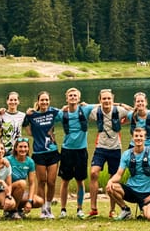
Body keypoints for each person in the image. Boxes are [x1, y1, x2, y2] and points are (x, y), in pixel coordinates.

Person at [86, 89, 132, 219]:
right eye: (103, 99)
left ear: (112, 99)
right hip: (100, 148)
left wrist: (121, 105)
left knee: (113, 179)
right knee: (94, 173)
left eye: (109, 99)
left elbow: (135, 113)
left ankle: (112, 210)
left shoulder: (119, 111)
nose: (106, 101)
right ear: (99, 100)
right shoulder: (95, 112)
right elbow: (82, 109)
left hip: (115, 148)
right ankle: (93, 208)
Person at [105, 127, 150, 221]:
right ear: (133, 138)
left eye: (141, 136)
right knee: (111, 187)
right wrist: (110, 181)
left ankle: (145, 209)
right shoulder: (126, 154)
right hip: (132, 190)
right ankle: (125, 209)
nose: (138, 138)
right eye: (136, 136)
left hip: (148, 192)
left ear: (145, 138)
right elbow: (119, 174)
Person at [57, 88, 96, 219]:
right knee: (65, 181)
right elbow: (45, 114)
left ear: (79, 98)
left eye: (75, 96)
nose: (73, 97)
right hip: (67, 150)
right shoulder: (62, 113)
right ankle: (63, 209)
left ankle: (79, 209)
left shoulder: (85, 109)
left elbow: (103, 104)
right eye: (70, 96)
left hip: (81, 150)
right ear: (66, 98)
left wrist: (120, 105)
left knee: (80, 180)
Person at [23, 91, 61, 219]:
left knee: (51, 182)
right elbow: (25, 126)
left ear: (49, 101)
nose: (44, 102)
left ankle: (49, 207)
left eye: (46, 100)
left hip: (53, 152)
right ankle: (43, 208)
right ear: (38, 102)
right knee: (41, 182)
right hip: (39, 152)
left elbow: (66, 112)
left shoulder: (53, 112)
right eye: (42, 100)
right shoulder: (32, 114)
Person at [7, 138, 45, 219]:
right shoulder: (8, 159)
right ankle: (12, 211)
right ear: (16, 148)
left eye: (25, 147)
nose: (23, 149)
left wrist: (29, 201)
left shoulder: (30, 162)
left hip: (21, 192)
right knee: (22, 183)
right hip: (8, 191)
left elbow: (32, 183)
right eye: (20, 147)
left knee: (39, 201)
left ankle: (18, 210)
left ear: (28, 149)